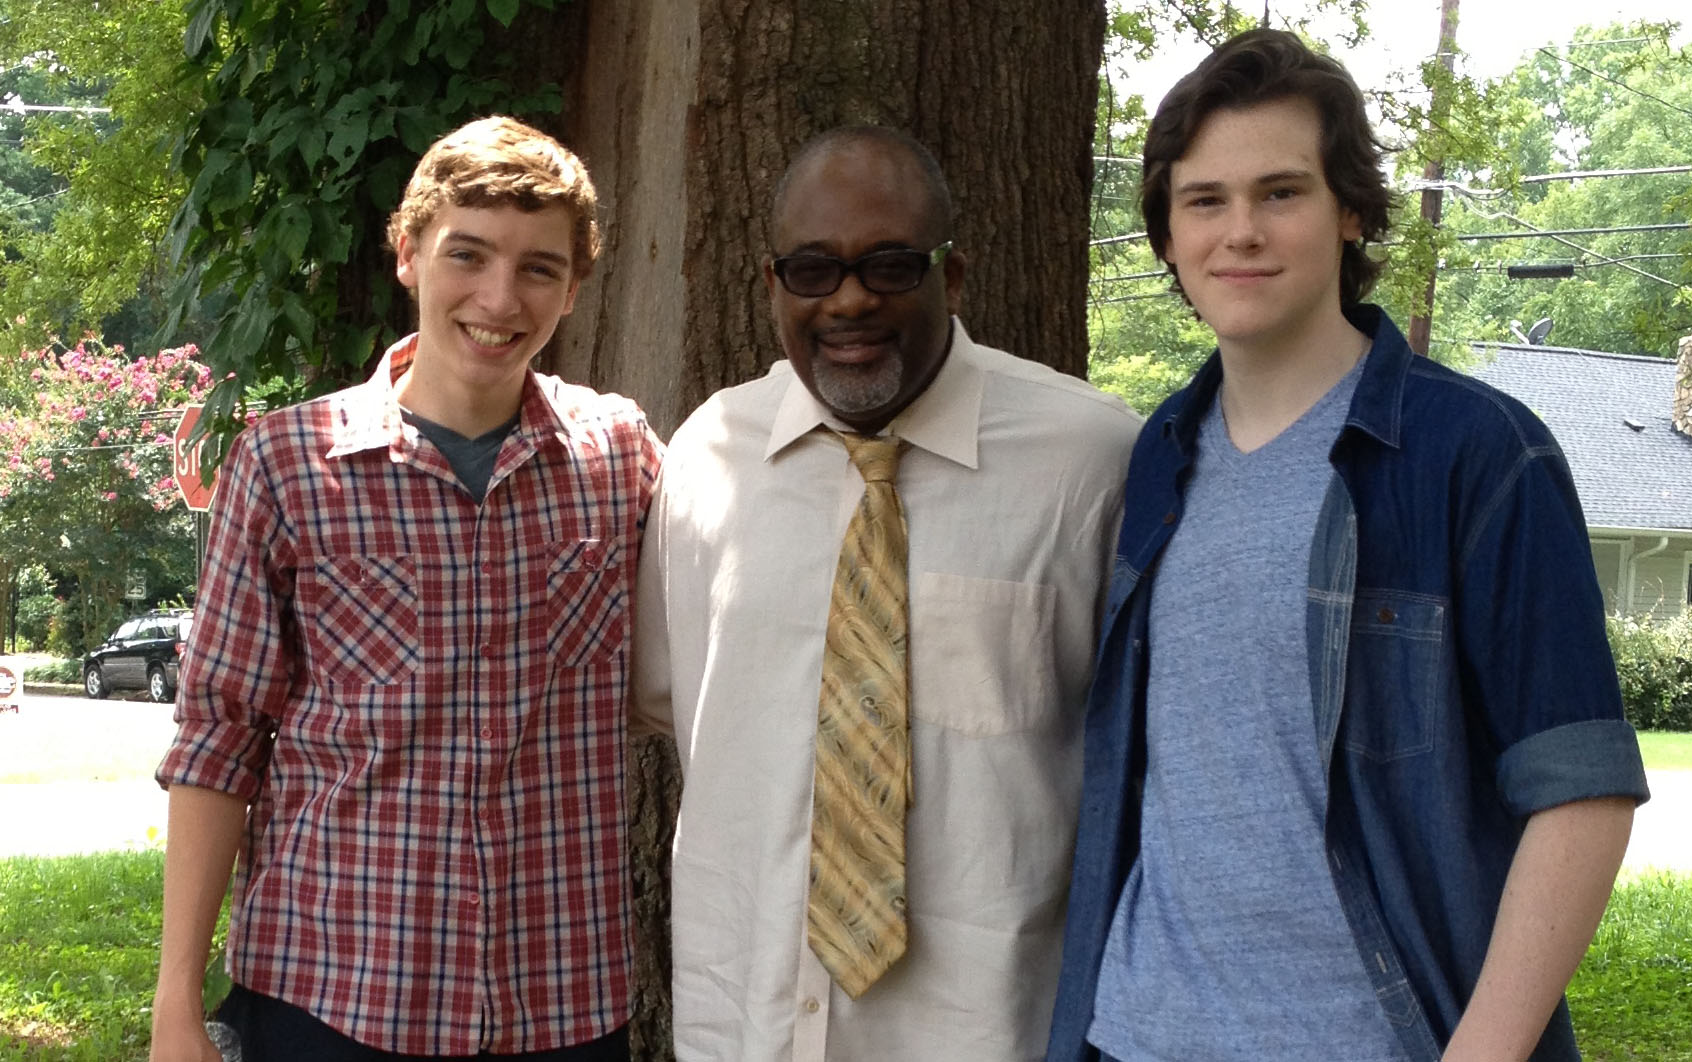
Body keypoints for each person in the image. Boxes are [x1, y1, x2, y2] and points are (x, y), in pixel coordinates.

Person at [1046, 28, 1650, 1062]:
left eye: (1281, 193)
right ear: (1165, 236)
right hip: (1137, 1035)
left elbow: (1581, 791)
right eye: (1205, 201)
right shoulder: (1155, 458)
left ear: (1352, 213)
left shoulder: (1474, 453)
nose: (1241, 231)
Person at [149, 116, 661, 1062]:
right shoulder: (285, 463)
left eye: (540, 268)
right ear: (408, 254)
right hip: (329, 996)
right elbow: (218, 735)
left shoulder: (620, 456)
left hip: (559, 1003)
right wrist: (176, 1003)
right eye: (468, 254)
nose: (499, 298)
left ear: (575, 287)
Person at [632, 126, 1140, 1060]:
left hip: (984, 1030)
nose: (852, 299)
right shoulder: (709, 455)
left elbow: (1142, 751)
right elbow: (675, 699)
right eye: (814, 270)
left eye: (891, 265)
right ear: (773, 283)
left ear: (952, 279)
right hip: (748, 1026)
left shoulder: (1094, 463)